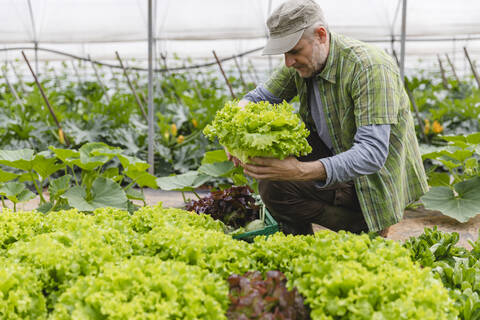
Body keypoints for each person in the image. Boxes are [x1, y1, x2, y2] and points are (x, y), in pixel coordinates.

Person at [228, 0, 428, 236]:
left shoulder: (369, 68)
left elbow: (371, 154)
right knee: (273, 182)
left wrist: (298, 171)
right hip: (334, 155)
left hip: (372, 181)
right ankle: (297, 244)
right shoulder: (304, 63)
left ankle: (365, 225)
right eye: (284, 53)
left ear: (321, 36)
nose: (288, 62)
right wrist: (234, 129)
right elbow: (259, 97)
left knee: (285, 176)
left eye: (294, 51)